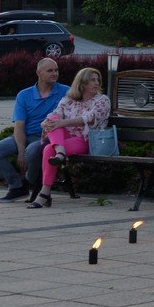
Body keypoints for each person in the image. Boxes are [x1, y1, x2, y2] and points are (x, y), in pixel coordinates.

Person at [0, 58, 67, 202]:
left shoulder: (65, 92)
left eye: (56, 70)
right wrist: (20, 151)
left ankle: (27, 182)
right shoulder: (24, 95)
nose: (55, 73)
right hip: (26, 135)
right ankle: (16, 186)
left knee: (32, 151)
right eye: (50, 70)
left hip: (49, 137)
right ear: (38, 73)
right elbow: (19, 126)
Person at [32, 68, 111, 207]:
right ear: (82, 83)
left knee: (49, 149)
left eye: (97, 80)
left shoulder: (102, 100)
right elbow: (55, 115)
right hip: (64, 138)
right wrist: (45, 122)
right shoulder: (68, 99)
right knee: (53, 119)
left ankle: (44, 193)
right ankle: (60, 152)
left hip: (85, 139)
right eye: (92, 80)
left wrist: (62, 123)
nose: (96, 83)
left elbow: (90, 118)